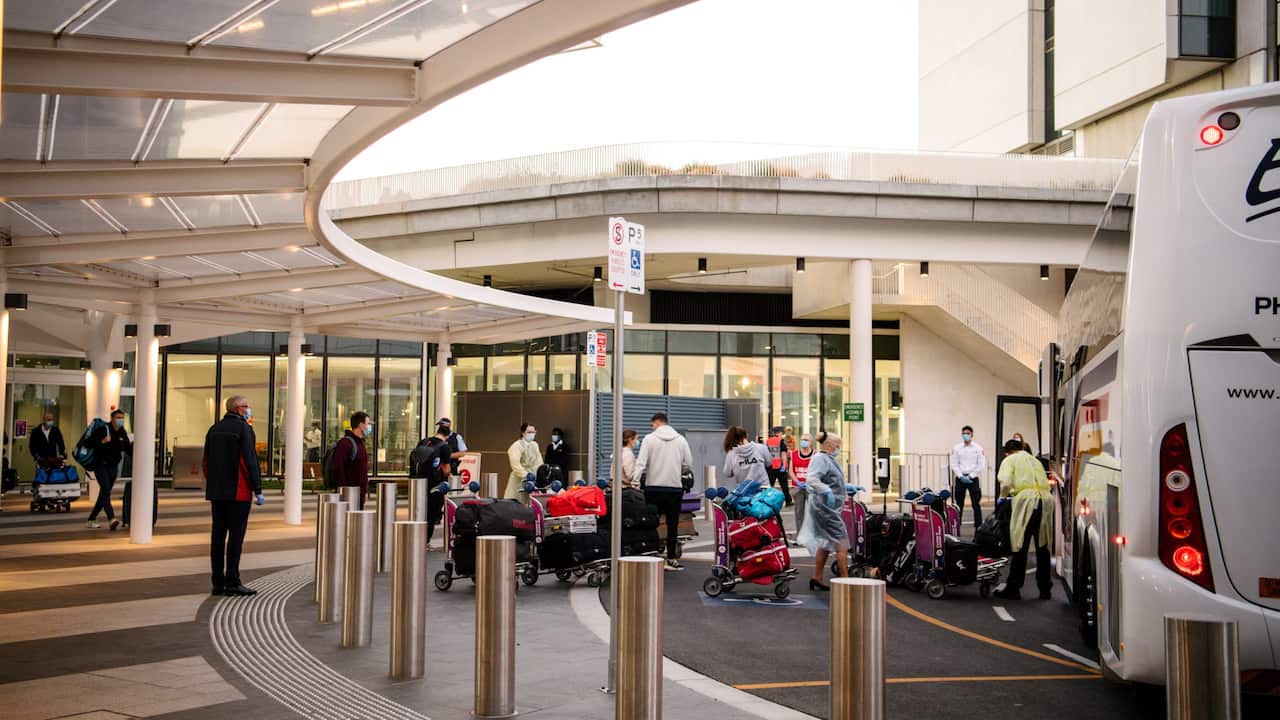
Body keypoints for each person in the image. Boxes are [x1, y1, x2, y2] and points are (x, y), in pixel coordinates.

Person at [202, 395, 264, 596]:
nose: (249, 409)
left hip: (217, 493)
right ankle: (232, 581)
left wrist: (213, 484)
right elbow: (249, 461)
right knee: (236, 538)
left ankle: (217, 582)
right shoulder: (243, 429)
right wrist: (258, 489)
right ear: (238, 409)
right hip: (238, 493)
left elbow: (206, 462)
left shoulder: (214, 429)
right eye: (247, 406)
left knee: (218, 537)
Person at [993, 439, 1053, 600]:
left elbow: (1005, 483)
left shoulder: (1010, 460)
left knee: (1020, 545)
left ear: (1008, 451)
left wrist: (1002, 497)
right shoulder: (1035, 460)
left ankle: (1014, 587)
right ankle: (1045, 588)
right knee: (1042, 546)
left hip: (1026, 501)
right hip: (1045, 501)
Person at [635, 412, 693, 571]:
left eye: (653, 424)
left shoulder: (649, 439)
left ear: (657, 423)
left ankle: (652, 553)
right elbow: (688, 462)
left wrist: (635, 480)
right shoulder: (681, 440)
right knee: (672, 524)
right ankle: (672, 558)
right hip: (674, 488)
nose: (652, 427)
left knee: (651, 522)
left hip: (653, 488)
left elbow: (641, 463)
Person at [797, 431, 850, 591]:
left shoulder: (828, 459)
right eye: (837, 446)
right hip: (825, 508)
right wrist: (826, 490)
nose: (838, 448)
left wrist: (848, 488)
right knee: (842, 543)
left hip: (828, 507)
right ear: (828, 446)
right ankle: (846, 581)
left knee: (826, 542)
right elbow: (812, 479)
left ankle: (817, 577)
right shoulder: (821, 459)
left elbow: (834, 481)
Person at [87, 410, 131, 531]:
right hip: (100, 465)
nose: (120, 420)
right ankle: (111, 518)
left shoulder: (122, 432)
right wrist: (102, 441)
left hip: (113, 466)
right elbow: (89, 443)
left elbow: (128, 448)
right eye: (118, 417)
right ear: (112, 418)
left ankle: (91, 519)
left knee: (104, 493)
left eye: (122, 417)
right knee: (106, 490)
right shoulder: (103, 429)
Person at [409, 425, 452, 545]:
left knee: (418, 510)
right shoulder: (445, 447)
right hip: (434, 485)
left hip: (418, 483)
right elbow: (447, 470)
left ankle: (415, 537)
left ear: (437, 432)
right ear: (447, 436)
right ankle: (426, 540)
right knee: (432, 513)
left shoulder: (423, 441)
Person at [328, 411, 371, 509]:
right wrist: (344, 491)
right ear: (360, 425)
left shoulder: (361, 443)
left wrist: (364, 492)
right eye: (368, 424)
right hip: (348, 496)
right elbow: (337, 468)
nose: (369, 427)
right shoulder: (345, 444)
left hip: (358, 495)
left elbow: (362, 471)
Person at [949, 425, 986, 529]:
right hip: (960, 478)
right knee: (959, 504)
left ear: (972, 435)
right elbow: (954, 463)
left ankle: (978, 527)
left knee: (976, 504)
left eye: (968, 433)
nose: (966, 435)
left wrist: (971, 476)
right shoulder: (957, 448)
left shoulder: (978, 448)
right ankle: (956, 526)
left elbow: (981, 464)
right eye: (964, 433)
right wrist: (960, 476)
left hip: (973, 479)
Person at [788, 433, 815, 539]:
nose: (804, 441)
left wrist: (809, 482)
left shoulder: (815, 455)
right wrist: (797, 482)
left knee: (813, 512)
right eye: (802, 439)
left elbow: (817, 471)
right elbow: (791, 471)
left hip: (811, 487)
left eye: (806, 440)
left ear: (811, 442)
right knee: (799, 513)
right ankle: (800, 535)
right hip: (798, 487)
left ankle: (813, 534)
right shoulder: (794, 454)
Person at [506, 422, 542, 500]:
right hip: (519, 480)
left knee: (530, 504)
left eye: (533, 432)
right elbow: (515, 465)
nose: (531, 434)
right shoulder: (517, 445)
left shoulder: (535, 445)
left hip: (532, 481)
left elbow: (538, 462)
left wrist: (539, 474)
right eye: (529, 432)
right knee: (516, 503)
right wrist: (526, 475)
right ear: (522, 433)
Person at [765, 426, 793, 507]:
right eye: (781, 433)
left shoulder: (768, 441)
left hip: (770, 467)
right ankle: (788, 501)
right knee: (784, 486)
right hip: (779, 467)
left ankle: (767, 502)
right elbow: (783, 454)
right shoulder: (780, 441)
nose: (782, 434)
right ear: (779, 433)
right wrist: (784, 465)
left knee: (769, 486)